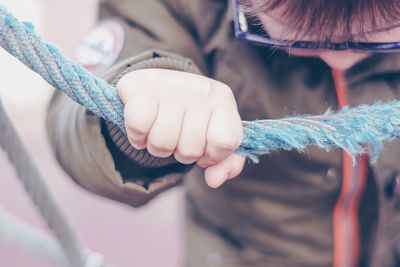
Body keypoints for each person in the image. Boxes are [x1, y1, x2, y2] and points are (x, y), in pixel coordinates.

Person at [45, 0, 400, 266]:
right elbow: (76, 109)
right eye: (300, 38)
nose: (339, 59)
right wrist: (142, 104)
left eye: (373, 38)